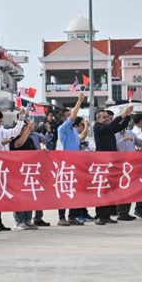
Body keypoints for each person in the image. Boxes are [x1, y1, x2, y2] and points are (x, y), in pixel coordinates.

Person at [93, 105, 133, 225]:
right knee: (102, 190)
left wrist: (128, 116)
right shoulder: (98, 127)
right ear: (98, 119)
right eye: (104, 117)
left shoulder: (108, 128)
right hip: (102, 162)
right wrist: (122, 115)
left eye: (108, 117)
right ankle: (99, 216)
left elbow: (120, 126)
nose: (107, 119)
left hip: (111, 162)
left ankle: (106, 215)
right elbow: (112, 126)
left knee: (110, 190)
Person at [56, 91, 88, 226]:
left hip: (76, 164)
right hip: (66, 164)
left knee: (75, 190)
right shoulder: (62, 128)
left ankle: (72, 216)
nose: (72, 117)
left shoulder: (74, 130)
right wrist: (79, 101)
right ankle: (61, 217)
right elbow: (73, 117)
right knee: (65, 190)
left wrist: (86, 127)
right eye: (68, 116)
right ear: (64, 119)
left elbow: (81, 138)